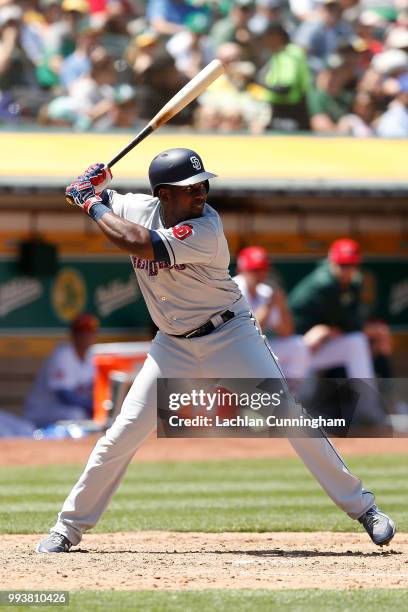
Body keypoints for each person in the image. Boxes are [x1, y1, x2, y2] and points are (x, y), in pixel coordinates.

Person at [36, 149, 395, 553]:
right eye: (190, 187)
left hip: (231, 336)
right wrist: (90, 188)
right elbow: (99, 199)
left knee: (291, 418)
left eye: (203, 183)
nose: (202, 191)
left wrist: (89, 202)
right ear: (164, 194)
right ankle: (67, 528)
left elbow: (135, 241)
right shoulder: (137, 207)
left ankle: (365, 509)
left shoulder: (206, 228)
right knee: (120, 435)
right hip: (172, 346)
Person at [233, 245, 309, 380]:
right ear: (241, 270)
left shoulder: (265, 291)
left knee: (297, 345)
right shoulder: (234, 288)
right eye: (254, 270)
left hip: (258, 348)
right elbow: (251, 330)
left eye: (262, 269)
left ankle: (290, 392)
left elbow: (286, 332)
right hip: (234, 350)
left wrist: (281, 305)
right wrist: (269, 305)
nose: (259, 274)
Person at [24, 313, 99, 428]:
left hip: (64, 410)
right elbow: (64, 396)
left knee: (91, 417)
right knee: (77, 415)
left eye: (89, 332)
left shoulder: (92, 356)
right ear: (73, 335)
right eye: (81, 332)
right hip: (41, 411)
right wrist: (93, 406)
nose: (86, 336)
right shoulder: (63, 355)